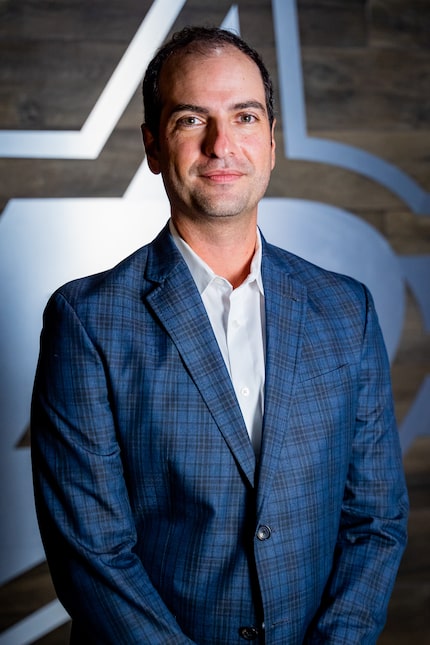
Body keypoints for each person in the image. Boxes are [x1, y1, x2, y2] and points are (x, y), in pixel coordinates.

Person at [31, 26, 409, 644]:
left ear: (271, 141)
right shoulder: (87, 321)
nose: (221, 144)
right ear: (153, 146)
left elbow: (376, 522)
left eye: (245, 116)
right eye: (190, 119)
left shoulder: (347, 311)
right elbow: (92, 557)